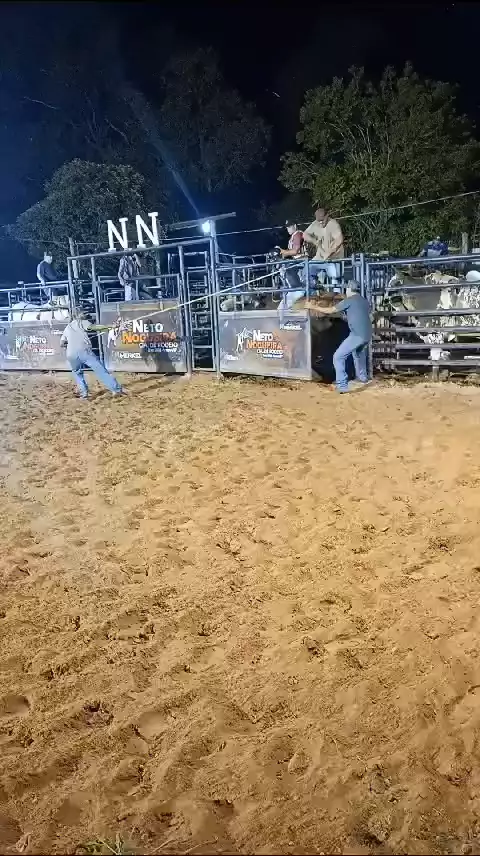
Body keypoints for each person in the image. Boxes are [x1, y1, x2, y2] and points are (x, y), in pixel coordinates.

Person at [310, 280, 372, 393]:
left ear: (348, 289)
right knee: (358, 354)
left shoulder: (349, 300)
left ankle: (342, 386)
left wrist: (313, 307)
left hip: (357, 334)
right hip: (367, 334)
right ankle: (362, 378)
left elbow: (330, 310)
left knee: (338, 357)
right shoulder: (364, 301)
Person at [60, 309, 126, 400]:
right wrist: (110, 326)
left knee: (77, 373)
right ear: (79, 315)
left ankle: (84, 394)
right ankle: (116, 389)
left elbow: (62, 343)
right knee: (101, 370)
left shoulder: (68, 327)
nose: (86, 315)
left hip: (71, 354)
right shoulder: (82, 322)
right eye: (84, 313)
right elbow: (94, 327)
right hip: (84, 351)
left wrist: (69, 343)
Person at [303, 207, 344, 288]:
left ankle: (337, 293)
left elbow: (339, 239)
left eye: (322, 220)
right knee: (307, 270)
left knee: (335, 279)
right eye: (319, 221)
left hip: (334, 259)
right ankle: (315, 289)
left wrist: (330, 252)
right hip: (320, 258)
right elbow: (305, 235)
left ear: (327, 216)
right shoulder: (315, 224)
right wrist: (314, 241)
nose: (321, 222)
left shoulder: (333, 224)